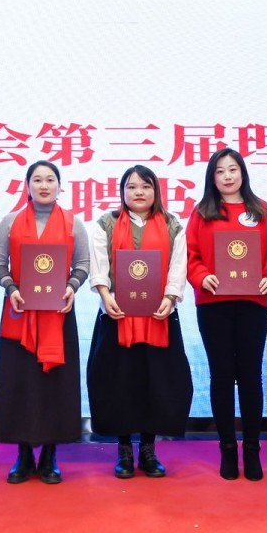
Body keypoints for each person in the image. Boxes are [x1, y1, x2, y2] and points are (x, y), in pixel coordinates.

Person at [185, 148, 267, 481]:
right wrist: (202, 276)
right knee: (221, 375)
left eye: (233, 169)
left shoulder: (262, 211)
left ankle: (252, 449)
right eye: (220, 171)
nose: (227, 176)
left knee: (251, 376)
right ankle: (227, 448)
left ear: (243, 173)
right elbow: (190, 255)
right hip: (213, 303)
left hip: (253, 303)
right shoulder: (202, 212)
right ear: (212, 178)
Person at [87, 165, 193, 478]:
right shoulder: (106, 223)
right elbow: (99, 266)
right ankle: (123, 450)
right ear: (122, 192)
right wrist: (106, 296)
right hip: (117, 316)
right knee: (120, 383)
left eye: (145, 186)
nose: (138, 192)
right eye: (131, 187)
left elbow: (178, 267)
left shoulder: (172, 224)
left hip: (159, 316)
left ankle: (148, 449)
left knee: (155, 383)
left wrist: (170, 298)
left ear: (155, 191)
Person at [0, 161, 90, 484]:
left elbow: (83, 264)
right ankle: (23, 455)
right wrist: (11, 288)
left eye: (50, 180)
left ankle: (49, 455)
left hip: (58, 314)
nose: (44, 185)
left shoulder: (74, 224)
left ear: (60, 186)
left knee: (54, 385)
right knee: (20, 383)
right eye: (37, 180)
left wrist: (72, 287)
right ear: (28, 185)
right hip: (19, 311)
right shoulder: (10, 222)